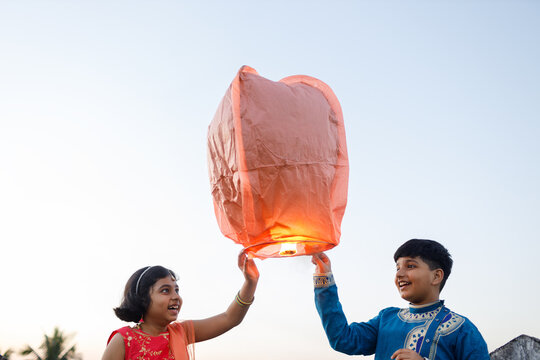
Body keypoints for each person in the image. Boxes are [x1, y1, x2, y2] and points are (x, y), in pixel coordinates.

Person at [312, 239, 490, 360]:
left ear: (436, 276)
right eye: (397, 268)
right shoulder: (387, 319)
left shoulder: (462, 330)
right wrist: (324, 278)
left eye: (410, 266)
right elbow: (343, 339)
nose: (400, 274)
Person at [102, 251, 259, 360]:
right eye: (165, 290)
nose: (176, 297)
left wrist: (250, 282)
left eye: (177, 290)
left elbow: (229, 318)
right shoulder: (124, 340)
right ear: (142, 299)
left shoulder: (181, 332)